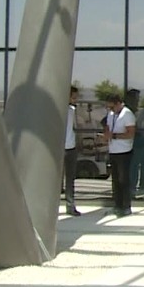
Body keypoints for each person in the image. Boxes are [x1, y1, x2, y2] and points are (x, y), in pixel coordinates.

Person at [104, 90, 136, 216]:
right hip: (113, 150)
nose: (111, 109)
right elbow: (108, 128)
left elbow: (130, 133)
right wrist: (106, 135)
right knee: (116, 180)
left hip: (124, 151)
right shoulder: (111, 114)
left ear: (118, 103)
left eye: (112, 107)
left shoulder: (127, 114)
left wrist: (114, 136)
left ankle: (126, 206)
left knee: (124, 179)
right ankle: (117, 205)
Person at [63, 85, 82, 216]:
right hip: (59, 148)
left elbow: (76, 126)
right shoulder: (59, 110)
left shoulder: (72, 111)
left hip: (70, 147)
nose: (75, 100)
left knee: (70, 179)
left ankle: (70, 205)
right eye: (73, 97)